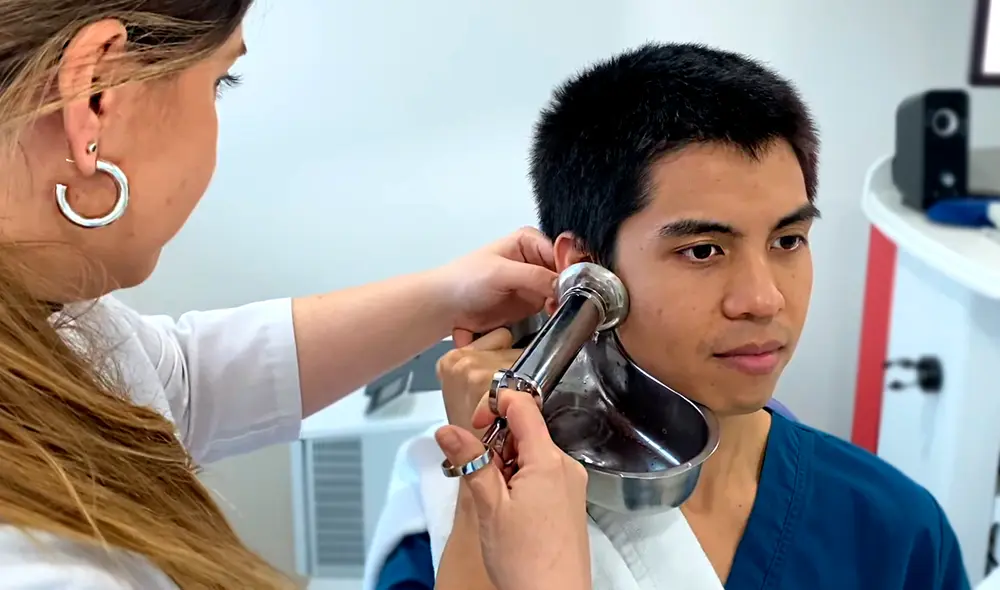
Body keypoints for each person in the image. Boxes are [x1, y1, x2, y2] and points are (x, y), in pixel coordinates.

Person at [0, 2, 593, 589]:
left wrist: (450, 294)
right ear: (97, 94)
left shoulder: (53, 321)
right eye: (219, 82)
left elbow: (178, 378)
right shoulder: (39, 569)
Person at [367, 42, 971, 590]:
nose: (764, 299)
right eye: (703, 251)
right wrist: (482, 506)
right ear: (585, 269)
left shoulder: (897, 531)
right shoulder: (448, 535)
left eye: (788, 240)